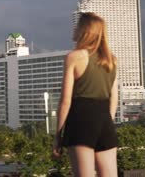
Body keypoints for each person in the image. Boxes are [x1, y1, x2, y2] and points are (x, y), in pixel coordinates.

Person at [53, 12, 118, 177]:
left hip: (81, 123)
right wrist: (105, 122)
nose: (74, 29)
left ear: (85, 31)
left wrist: (58, 134)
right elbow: (114, 99)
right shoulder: (111, 60)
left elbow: (65, 101)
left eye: (78, 26)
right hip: (105, 122)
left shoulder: (74, 57)